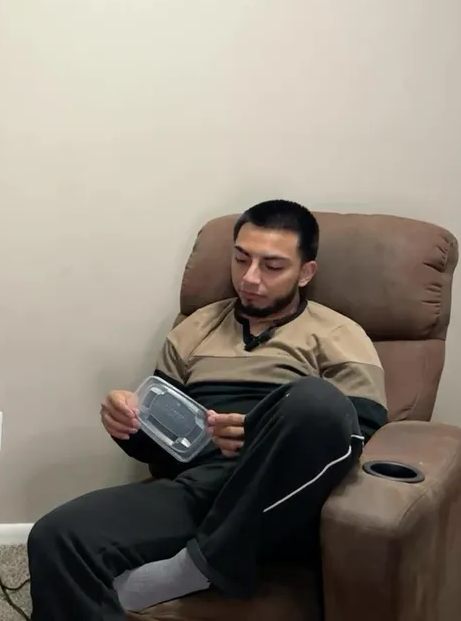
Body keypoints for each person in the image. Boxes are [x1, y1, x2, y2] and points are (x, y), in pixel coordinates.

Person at [26, 199, 388, 620]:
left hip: (287, 501)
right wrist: (127, 423)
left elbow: (358, 433)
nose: (249, 278)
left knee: (316, 400)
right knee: (56, 537)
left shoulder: (340, 334)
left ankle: (199, 565)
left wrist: (263, 432)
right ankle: (212, 554)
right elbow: (164, 450)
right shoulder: (195, 329)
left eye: (272, 266)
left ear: (305, 273)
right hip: (201, 489)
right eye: (241, 259)